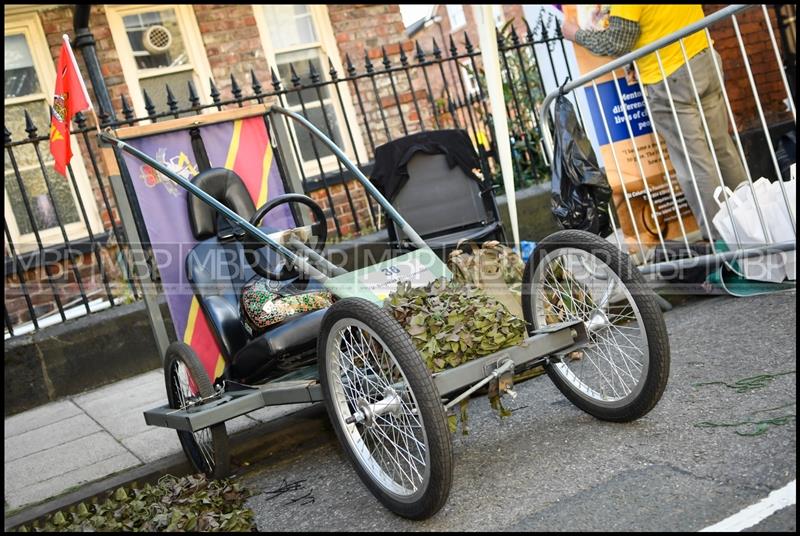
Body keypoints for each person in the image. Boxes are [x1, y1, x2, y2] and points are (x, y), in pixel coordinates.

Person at [561, 5, 748, 240]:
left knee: (694, 164)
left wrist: (575, 33)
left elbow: (617, 42)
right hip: (703, 57)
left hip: (669, 75)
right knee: (722, 149)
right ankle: (754, 222)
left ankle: (723, 243)